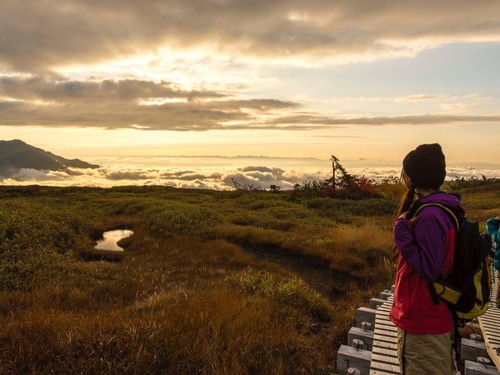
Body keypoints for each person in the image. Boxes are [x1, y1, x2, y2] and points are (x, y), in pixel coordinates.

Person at [390, 143, 464, 375]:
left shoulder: (431, 215)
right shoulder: (437, 208)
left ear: (412, 178)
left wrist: (401, 232)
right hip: (428, 318)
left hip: (424, 322)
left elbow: (430, 268)